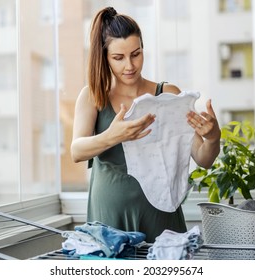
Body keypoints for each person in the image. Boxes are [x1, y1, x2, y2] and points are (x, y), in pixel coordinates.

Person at [71, 6, 221, 243]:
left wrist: (213, 137)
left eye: (136, 53)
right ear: (105, 57)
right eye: (118, 58)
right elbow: (76, 151)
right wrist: (114, 135)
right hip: (109, 218)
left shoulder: (168, 94)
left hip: (161, 216)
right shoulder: (92, 96)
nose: (129, 65)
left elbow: (203, 158)